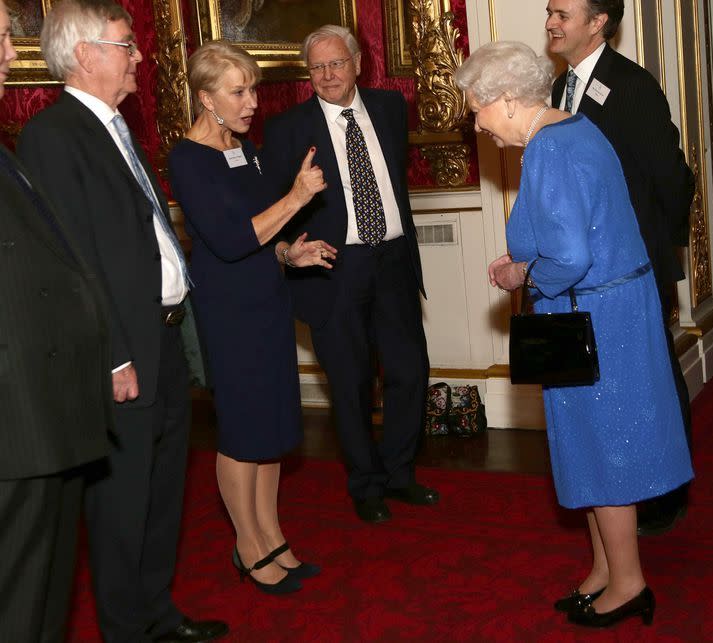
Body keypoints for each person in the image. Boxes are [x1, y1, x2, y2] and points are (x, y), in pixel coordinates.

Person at [455, 41, 693, 627]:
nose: (475, 123)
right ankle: (604, 569)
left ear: (506, 100)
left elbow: (569, 256)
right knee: (591, 446)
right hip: (608, 309)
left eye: (477, 108)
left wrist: (519, 271)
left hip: (593, 317)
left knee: (606, 451)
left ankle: (629, 582)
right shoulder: (576, 128)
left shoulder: (549, 151)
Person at [17, 1, 228, 640]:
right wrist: (113, 355)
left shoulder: (115, 126)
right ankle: (127, 631)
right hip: (121, 354)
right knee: (120, 506)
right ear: (85, 55)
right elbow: (74, 261)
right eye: (125, 44)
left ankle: (156, 616)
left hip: (159, 339)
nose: (140, 56)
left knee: (162, 495)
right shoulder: (53, 136)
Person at [168, 40, 334, 595]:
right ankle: (247, 545)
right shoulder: (188, 159)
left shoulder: (247, 150)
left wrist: (291, 253)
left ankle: (272, 537)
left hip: (266, 300)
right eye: (238, 91)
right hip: (229, 311)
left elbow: (264, 235)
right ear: (205, 97)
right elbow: (233, 238)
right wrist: (296, 196)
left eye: (253, 89)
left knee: (269, 427)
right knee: (242, 430)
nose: (251, 102)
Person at [259, 25, 436, 524]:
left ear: (358, 62)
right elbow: (275, 206)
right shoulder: (287, 129)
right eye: (317, 67)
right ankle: (366, 483)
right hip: (333, 268)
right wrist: (287, 248)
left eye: (337, 63)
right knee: (352, 380)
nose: (328, 75)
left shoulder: (389, 108)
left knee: (408, 371)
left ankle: (400, 474)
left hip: (395, 259)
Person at [546, 0, 695, 535]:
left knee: (652, 380)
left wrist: (659, 252)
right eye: (549, 11)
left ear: (598, 21)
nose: (551, 23)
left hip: (632, 269)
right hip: (583, 275)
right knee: (604, 388)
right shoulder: (558, 88)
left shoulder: (631, 85)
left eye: (563, 13)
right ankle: (613, 487)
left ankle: (667, 494)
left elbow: (674, 181)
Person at [0, 3, 111, 639]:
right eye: (4, 40)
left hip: (43, 414)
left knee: (44, 594)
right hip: (15, 421)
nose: (16, 54)